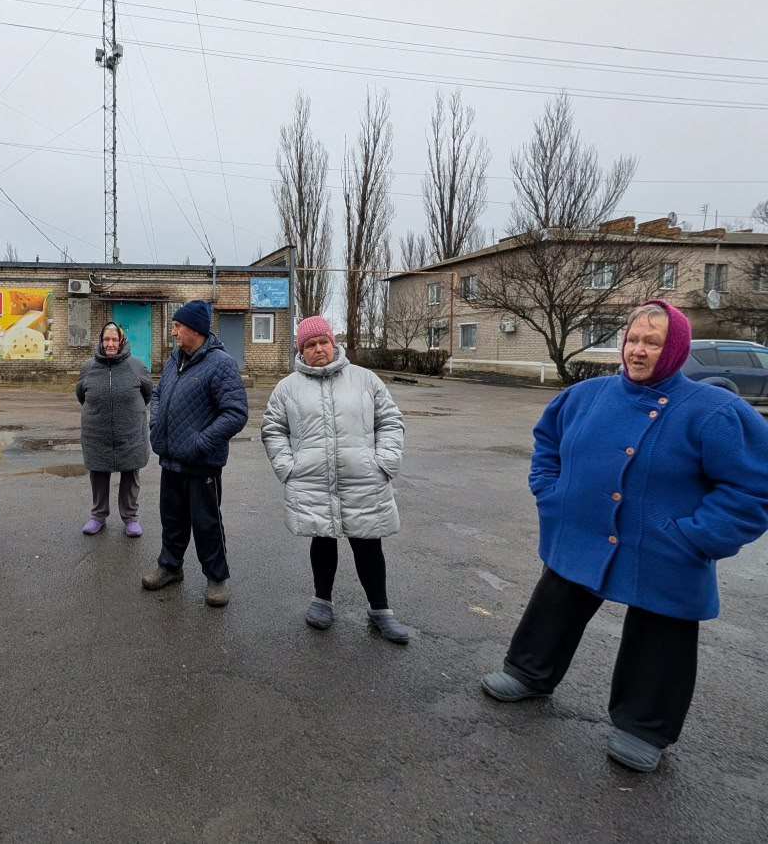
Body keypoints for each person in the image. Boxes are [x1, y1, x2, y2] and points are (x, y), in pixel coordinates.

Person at [480, 300, 768, 773]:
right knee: (557, 600)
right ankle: (528, 672)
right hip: (581, 529)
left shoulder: (715, 411)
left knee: (661, 630)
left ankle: (643, 726)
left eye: (651, 343)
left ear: (674, 348)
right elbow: (547, 443)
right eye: (632, 340)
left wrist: (699, 537)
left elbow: (754, 484)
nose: (637, 351)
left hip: (666, 544)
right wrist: (551, 493)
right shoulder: (585, 395)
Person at [261, 316, 412, 643]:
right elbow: (273, 429)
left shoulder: (365, 380)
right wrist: (288, 467)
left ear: (333, 343)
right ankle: (322, 599)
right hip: (313, 480)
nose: (318, 350)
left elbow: (390, 421)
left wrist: (384, 461)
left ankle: (380, 609)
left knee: (368, 543)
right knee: (323, 538)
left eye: (323, 342)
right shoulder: (287, 388)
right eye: (310, 345)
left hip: (364, 479)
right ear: (302, 350)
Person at [142, 300, 248, 607]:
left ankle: (216, 579)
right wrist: (156, 423)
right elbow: (160, 392)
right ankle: (170, 566)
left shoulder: (221, 364)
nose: (173, 332)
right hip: (171, 459)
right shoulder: (176, 358)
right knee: (171, 518)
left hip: (202, 463)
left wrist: (201, 443)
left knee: (206, 523)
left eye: (177, 326)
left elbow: (235, 413)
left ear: (195, 330)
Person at [76, 321, 153, 537]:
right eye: (106, 339)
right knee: (98, 474)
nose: (110, 344)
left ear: (121, 342)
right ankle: (98, 516)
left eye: (114, 340)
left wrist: (129, 412)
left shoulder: (136, 366)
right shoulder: (88, 367)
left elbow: (147, 394)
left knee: (130, 474)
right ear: (101, 341)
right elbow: (82, 395)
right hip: (96, 431)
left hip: (129, 431)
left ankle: (130, 518)